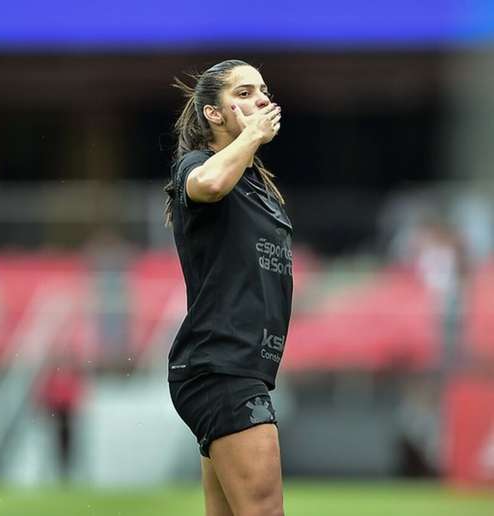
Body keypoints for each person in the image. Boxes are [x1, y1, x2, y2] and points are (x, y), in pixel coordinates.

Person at [163, 60, 291, 516]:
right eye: (243, 92)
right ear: (213, 114)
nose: (260, 99)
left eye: (263, 90)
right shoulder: (198, 166)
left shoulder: (256, 184)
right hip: (220, 368)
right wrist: (253, 135)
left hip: (238, 367)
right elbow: (210, 183)